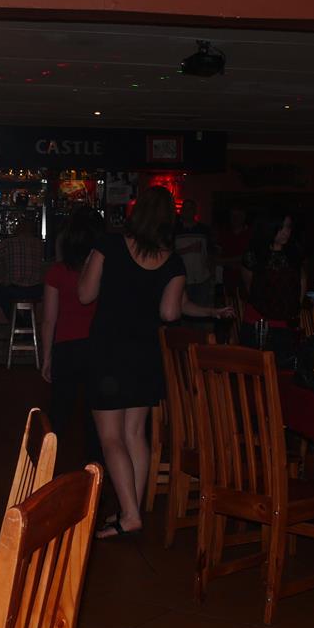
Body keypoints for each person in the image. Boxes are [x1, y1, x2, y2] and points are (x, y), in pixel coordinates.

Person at [79, 186, 230, 538]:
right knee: (135, 433)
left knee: (111, 437)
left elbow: (85, 295)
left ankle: (130, 514)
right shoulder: (172, 261)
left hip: (108, 352)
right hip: (145, 354)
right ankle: (130, 510)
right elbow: (171, 311)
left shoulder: (109, 245)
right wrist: (209, 311)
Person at [41, 205, 102, 461]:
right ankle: (94, 473)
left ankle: (45, 467)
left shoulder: (57, 272)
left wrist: (47, 357)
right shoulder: (104, 271)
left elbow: (49, 319)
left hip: (66, 348)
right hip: (97, 348)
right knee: (95, 418)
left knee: (58, 414)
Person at [239, 212, 306, 362]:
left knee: (286, 367)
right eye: (281, 228)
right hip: (259, 320)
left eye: (288, 227)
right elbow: (250, 288)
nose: (285, 232)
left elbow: (302, 280)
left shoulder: (294, 254)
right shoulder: (254, 255)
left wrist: (296, 307)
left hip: (286, 322)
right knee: (256, 367)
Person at [0, 219, 44, 321]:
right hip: (36, 289)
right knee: (29, 296)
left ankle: (17, 321)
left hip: (14, 288)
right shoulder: (39, 244)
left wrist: (2, 259)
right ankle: (28, 323)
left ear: (18, 229)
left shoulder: (9, 242)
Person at [173, 199, 214, 310]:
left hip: (202, 279)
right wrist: (188, 249)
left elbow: (211, 253)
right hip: (182, 280)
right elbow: (169, 253)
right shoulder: (175, 230)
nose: (188, 211)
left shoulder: (204, 230)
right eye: (185, 208)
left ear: (195, 211)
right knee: (182, 312)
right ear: (181, 211)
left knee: (201, 311)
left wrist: (211, 274)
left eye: (190, 208)